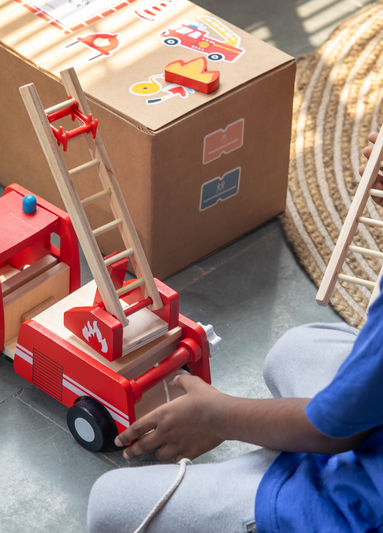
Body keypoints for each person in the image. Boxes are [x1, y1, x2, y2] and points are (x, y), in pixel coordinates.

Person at [87, 132, 383, 533]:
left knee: (109, 503)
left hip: (360, 504)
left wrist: (216, 416)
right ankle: (273, 459)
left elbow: (334, 428)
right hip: (360, 433)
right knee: (297, 348)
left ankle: (275, 488)